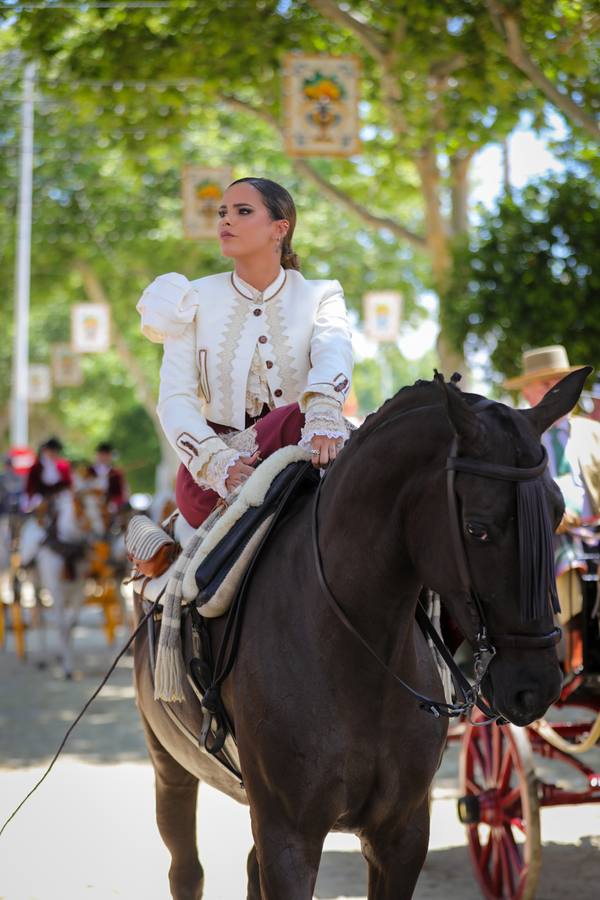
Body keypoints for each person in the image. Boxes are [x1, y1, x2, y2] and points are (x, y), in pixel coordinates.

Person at [137, 176, 353, 528]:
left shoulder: (321, 295)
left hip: (308, 449)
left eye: (243, 211)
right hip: (213, 479)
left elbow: (334, 352)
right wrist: (218, 463)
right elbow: (175, 399)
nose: (226, 220)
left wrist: (324, 415)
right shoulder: (190, 299)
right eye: (223, 212)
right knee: (295, 417)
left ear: (279, 228)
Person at [505, 345, 600, 670]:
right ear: (527, 392)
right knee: (565, 556)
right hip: (544, 535)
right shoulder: (513, 439)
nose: (557, 390)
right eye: (547, 384)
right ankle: (571, 654)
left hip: (592, 532)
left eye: (561, 382)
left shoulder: (594, 434)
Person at [25, 437, 72, 509]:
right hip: (41, 495)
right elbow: (30, 485)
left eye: (55, 451)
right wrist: (30, 498)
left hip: (60, 495)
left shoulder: (63, 466)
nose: (53, 454)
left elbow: (68, 483)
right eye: (51, 451)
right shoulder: (37, 466)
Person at [87, 442, 128, 513]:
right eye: (101, 454)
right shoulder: (88, 471)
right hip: (90, 504)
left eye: (106, 455)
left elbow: (120, 494)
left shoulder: (116, 473)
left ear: (110, 456)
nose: (103, 457)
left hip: (110, 506)